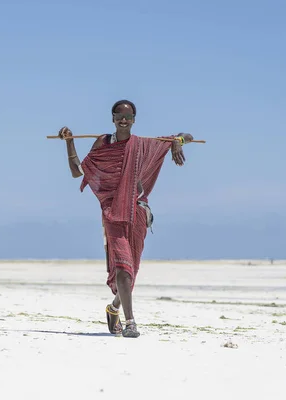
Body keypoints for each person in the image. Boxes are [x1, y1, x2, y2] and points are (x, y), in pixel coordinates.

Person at [58, 99, 193, 338]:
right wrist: (69, 143)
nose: (123, 119)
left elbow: (187, 134)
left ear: (134, 121)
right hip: (113, 213)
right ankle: (131, 322)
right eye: (118, 115)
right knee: (123, 267)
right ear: (112, 118)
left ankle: (114, 308)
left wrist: (177, 142)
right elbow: (76, 171)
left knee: (132, 269)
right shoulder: (103, 142)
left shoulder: (143, 145)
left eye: (128, 117)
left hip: (138, 212)